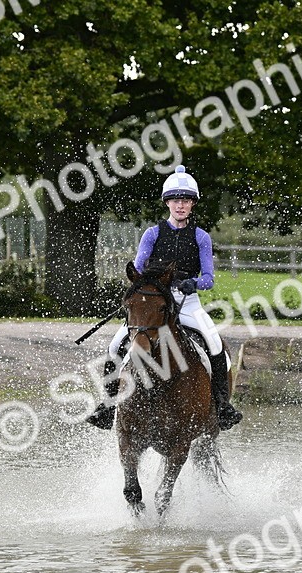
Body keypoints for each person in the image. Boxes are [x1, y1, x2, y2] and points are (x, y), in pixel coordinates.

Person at [86, 165, 243, 431]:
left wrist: (191, 283)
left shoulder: (200, 237)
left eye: (185, 200)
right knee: (115, 347)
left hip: (187, 303)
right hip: (155, 303)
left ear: (192, 204)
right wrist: (152, 287)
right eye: (175, 200)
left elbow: (209, 279)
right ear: (167, 203)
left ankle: (222, 407)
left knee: (216, 347)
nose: (180, 205)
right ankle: (107, 406)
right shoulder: (153, 234)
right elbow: (138, 270)